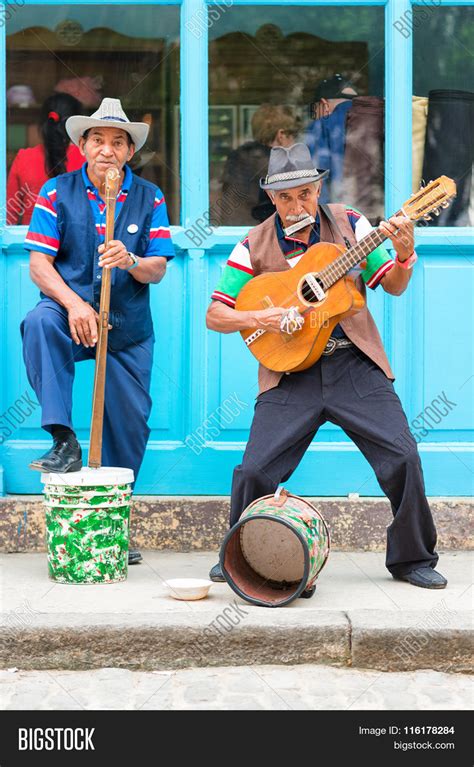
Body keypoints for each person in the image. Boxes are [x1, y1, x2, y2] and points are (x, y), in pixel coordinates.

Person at [206, 143, 446, 592]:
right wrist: (262, 317)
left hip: (352, 361)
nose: (296, 205)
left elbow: (391, 286)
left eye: (305, 194)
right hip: (289, 371)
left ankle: (412, 557)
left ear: (318, 189)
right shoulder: (251, 244)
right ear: (271, 198)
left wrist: (404, 253)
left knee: (403, 457)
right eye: (285, 197)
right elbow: (215, 314)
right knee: (255, 469)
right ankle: (239, 550)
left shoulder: (352, 224)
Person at [20, 98, 175, 566]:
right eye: (98, 140)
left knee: (129, 424)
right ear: (82, 145)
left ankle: (112, 524)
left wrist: (131, 260)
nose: (107, 149)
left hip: (127, 325)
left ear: (130, 151)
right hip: (72, 316)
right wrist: (73, 304)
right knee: (39, 321)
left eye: (118, 142)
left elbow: (158, 269)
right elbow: (39, 265)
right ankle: (63, 438)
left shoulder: (150, 197)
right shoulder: (55, 191)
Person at [216, 104, 301, 226]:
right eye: (294, 137)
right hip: (263, 235)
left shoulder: (237, 157)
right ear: (281, 135)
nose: (294, 143)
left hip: (231, 232)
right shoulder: (279, 164)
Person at [7, 93, 85, 225]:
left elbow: (8, 217)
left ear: (44, 122)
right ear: (78, 125)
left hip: (30, 242)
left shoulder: (24, 157)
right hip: (77, 244)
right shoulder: (89, 158)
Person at [304, 74, 357, 205]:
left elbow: (316, 177)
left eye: (314, 111)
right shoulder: (380, 120)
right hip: (378, 215)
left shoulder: (321, 126)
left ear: (324, 105)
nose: (314, 117)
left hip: (337, 214)